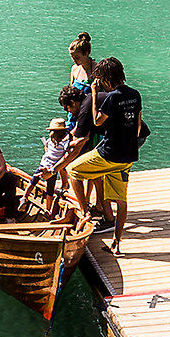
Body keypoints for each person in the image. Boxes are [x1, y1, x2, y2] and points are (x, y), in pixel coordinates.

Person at [68, 56, 144, 248]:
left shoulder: (112, 97)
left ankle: (85, 213)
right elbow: (137, 127)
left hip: (109, 152)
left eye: (101, 79)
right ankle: (116, 242)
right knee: (121, 199)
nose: (100, 83)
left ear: (107, 78)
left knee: (72, 170)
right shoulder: (135, 94)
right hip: (128, 154)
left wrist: (94, 94)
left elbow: (97, 121)